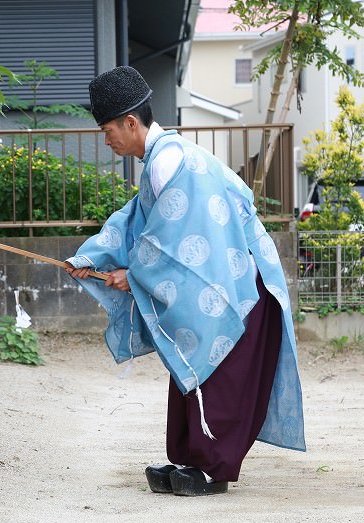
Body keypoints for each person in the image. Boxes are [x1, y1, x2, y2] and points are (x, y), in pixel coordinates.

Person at [65, 65, 305, 497]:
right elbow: (136, 222)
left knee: (219, 371)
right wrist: (92, 256)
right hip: (220, 279)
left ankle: (212, 469)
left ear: (131, 123)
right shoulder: (160, 159)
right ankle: (189, 459)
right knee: (191, 360)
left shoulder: (172, 161)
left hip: (240, 286)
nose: (106, 140)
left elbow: (174, 244)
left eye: (107, 131)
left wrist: (133, 274)